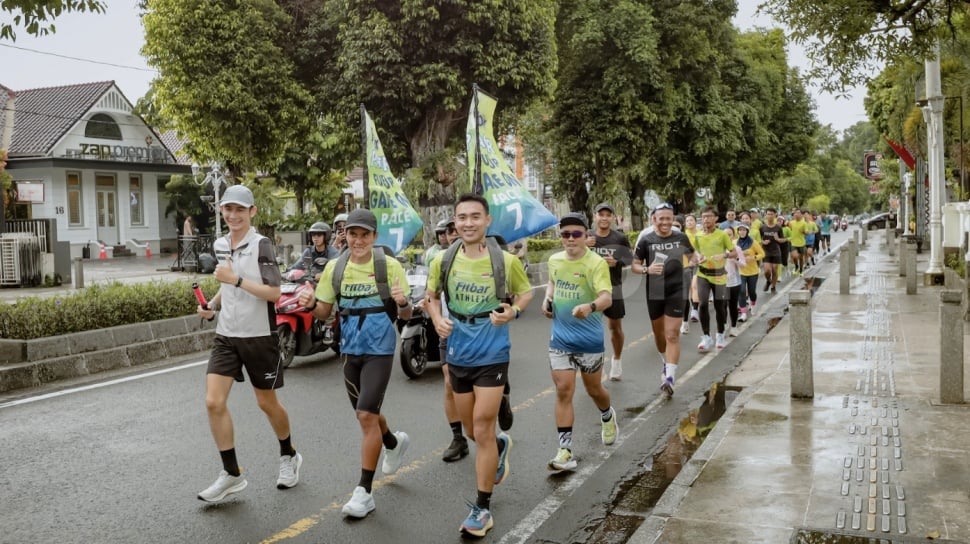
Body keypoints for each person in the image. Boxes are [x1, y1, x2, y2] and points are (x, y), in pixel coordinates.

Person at [426, 193, 533, 538]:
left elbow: (525, 293)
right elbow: (430, 298)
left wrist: (512, 312)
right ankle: (501, 446)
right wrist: (437, 318)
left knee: (483, 427)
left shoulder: (505, 260)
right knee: (473, 431)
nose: (468, 223)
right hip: (458, 351)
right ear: (454, 223)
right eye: (462, 217)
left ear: (487, 221)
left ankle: (482, 508)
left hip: (492, 351)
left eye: (475, 216)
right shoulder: (443, 260)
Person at [298, 208, 413, 519]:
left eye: (365, 235)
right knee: (368, 415)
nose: (358, 240)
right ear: (345, 235)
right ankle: (393, 442)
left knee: (365, 414)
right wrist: (310, 305)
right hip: (350, 350)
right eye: (353, 234)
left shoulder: (388, 267)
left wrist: (403, 303)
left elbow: (405, 314)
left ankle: (364, 491)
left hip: (380, 350)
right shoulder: (336, 268)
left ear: (374, 237)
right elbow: (324, 311)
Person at [195, 185, 301, 503]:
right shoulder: (220, 244)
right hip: (227, 335)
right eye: (228, 209)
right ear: (221, 211)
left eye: (240, 209)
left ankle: (289, 455)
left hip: (259, 335)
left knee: (266, 403)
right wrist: (212, 305)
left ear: (252, 212)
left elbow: (274, 293)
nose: (233, 215)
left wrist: (235, 280)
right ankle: (231, 474)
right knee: (213, 402)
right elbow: (225, 285)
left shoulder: (262, 245)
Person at [541, 212, 619, 471]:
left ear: (587, 236)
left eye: (576, 234)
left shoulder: (595, 264)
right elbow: (553, 282)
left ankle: (607, 415)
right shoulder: (554, 260)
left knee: (594, 390)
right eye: (565, 234)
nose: (571, 239)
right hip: (560, 338)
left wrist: (590, 306)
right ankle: (565, 450)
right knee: (564, 390)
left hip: (589, 339)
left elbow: (607, 298)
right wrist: (547, 299)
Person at [633, 202, 698, 397]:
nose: (665, 222)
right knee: (660, 337)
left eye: (668, 218)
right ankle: (665, 362)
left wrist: (696, 260)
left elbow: (692, 255)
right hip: (654, 291)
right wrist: (647, 269)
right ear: (654, 219)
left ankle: (670, 377)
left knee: (672, 335)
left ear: (673, 219)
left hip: (676, 289)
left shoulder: (681, 236)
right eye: (661, 218)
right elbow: (635, 265)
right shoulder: (646, 240)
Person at [586, 202, 633, 380]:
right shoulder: (587, 236)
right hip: (590, 288)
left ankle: (617, 360)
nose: (604, 218)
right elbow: (572, 254)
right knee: (591, 328)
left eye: (608, 215)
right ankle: (597, 364)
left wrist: (617, 262)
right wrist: (584, 244)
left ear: (612, 218)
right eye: (601, 214)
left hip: (613, 286)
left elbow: (630, 259)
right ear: (595, 216)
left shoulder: (619, 238)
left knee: (615, 327)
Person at [691, 206, 739, 352]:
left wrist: (723, 255)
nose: (705, 219)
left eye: (709, 216)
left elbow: (734, 252)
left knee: (720, 306)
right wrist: (697, 257)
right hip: (703, 274)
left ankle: (719, 335)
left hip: (719, 275)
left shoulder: (722, 235)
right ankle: (706, 337)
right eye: (704, 216)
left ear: (716, 218)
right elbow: (694, 253)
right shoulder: (698, 236)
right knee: (703, 304)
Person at [736, 223, 764, 321]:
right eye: (740, 230)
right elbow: (731, 253)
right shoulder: (735, 242)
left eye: (744, 230)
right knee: (742, 291)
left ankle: (753, 304)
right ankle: (743, 313)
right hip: (740, 271)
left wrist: (753, 258)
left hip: (752, 271)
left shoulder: (753, 242)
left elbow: (762, 254)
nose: (742, 232)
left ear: (747, 231)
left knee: (752, 291)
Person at [759, 208, 785, 293]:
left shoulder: (778, 227)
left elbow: (783, 239)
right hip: (766, 251)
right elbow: (759, 240)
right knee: (767, 271)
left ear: (775, 215)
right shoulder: (762, 227)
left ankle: (773, 286)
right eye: (768, 214)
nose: (769, 216)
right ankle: (768, 281)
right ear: (765, 215)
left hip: (776, 251)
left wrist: (778, 239)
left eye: (771, 214)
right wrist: (763, 242)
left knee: (774, 270)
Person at [788, 209, 808, 276]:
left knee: (801, 258)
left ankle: (801, 270)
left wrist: (804, 232)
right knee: (795, 256)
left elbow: (806, 232)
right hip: (793, 243)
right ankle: (796, 267)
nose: (796, 214)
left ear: (801, 215)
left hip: (801, 243)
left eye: (798, 213)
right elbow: (789, 229)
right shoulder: (791, 222)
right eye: (795, 213)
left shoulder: (804, 223)